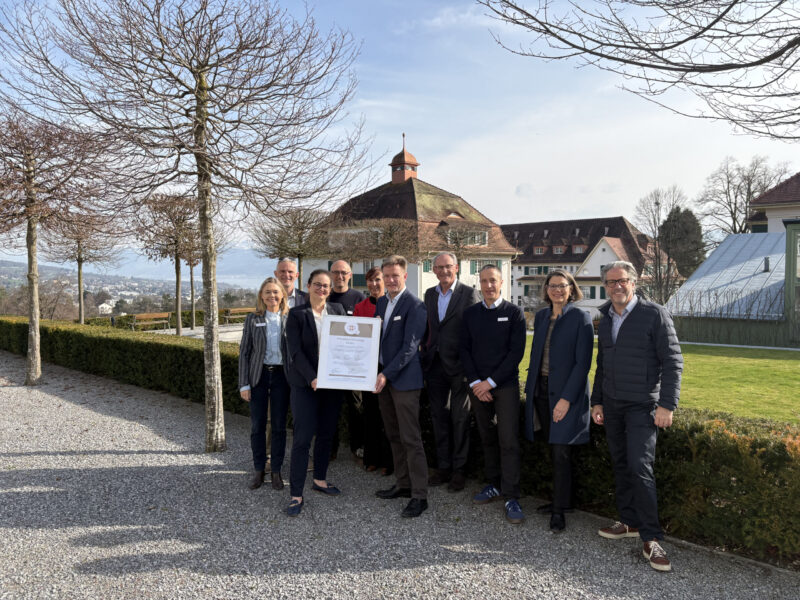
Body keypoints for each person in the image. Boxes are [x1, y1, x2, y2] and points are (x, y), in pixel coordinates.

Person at [591, 260, 683, 572]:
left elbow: (672, 361)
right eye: (611, 282)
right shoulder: (605, 318)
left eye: (622, 281)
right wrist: (598, 401)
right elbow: (602, 363)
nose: (616, 286)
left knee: (640, 467)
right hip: (613, 405)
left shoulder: (654, 314)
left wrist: (667, 405)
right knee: (619, 463)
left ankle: (651, 538)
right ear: (606, 286)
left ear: (634, 283)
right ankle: (629, 521)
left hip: (643, 406)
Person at [524, 269, 593, 533]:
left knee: (561, 452)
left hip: (566, 396)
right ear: (546, 289)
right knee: (550, 448)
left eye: (562, 286)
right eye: (552, 286)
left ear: (571, 289)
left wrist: (565, 400)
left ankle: (559, 510)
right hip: (541, 391)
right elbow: (535, 356)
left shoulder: (581, 318)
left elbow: (582, 363)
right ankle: (561, 501)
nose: (557, 290)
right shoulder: (541, 316)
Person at [461, 264, 526, 524]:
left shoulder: (514, 313)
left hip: (505, 386)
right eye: (484, 281)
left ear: (502, 283)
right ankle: (494, 484)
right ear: (480, 283)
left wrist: (490, 382)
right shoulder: (471, 314)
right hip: (478, 386)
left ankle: (511, 495)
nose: (488, 285)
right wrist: (477, 382)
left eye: (493, 281)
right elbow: (465, 350)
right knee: (487, 437)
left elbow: (515, 354)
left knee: (508, 440)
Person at [283, 269, 346, 517]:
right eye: (318, 284)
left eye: (326, 286)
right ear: (308, 286)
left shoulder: (338, 312)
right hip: (305, 384)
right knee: (302, 438)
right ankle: (296, 494)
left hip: (332, 384)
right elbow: (295, 352)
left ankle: (319, 479)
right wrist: (312, 378)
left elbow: (346, 348)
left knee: (327, 434)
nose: (322, 289)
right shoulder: (297, 315)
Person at [374, 255, 429, 518]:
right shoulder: (382, 301)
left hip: (404, 381)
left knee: (411, 438)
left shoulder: (415, 305)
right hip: (383, 380)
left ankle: (420, 495)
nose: (391, 280)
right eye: (387, 276)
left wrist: (386, 374)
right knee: (393, 434)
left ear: (405, 276)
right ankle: (403, 483)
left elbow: (410, 348)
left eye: (396, 275)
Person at [422, 252, 481, 491]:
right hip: (434, 365)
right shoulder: (429, 294)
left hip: (459, 367)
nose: (444, 271)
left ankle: (459, 471)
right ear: (433, 270)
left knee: (460, 419)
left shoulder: (468, 294)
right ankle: (443, 468)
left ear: (456, 268)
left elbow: (476, 333)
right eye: (439, 267)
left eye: (448, 267)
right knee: (439, 418)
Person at [238, 277, 290, 491]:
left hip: (282, 377)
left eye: (276, 292)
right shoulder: (252, 319)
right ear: (261, 295)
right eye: (268, 292)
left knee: (279, 426)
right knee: (257, 425)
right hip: (258, 377)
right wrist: (244, 384)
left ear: (282, 295)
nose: (272, 296)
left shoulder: (290, 318)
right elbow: (244, 353)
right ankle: (259, 469)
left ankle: (276, 470)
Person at [353, 267, 393, 475]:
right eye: (370, 281)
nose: (374, 284)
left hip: (387, 366)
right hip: (367, 366)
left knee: (388, 415)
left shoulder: (392, 305)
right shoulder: (360, 307)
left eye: (378, 280)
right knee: (370, 415)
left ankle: (388, 461)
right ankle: (372, 458)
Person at [328, 259, 366, 461]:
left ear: (350, 275)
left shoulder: (358, 297)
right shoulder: (325, 296)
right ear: (330, 274)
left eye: (343, 272)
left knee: (356, 408)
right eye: (336, 272)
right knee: (331, 408)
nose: (339, 276)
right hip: (331, 365)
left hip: (353, 366)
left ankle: (357, 448)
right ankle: (330, 449)